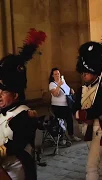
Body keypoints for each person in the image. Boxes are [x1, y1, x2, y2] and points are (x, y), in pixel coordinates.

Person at [73, 24, 102, 180]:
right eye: (83, 72)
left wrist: (87, 113)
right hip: (86, 129)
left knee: (91, 166)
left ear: (95, 72)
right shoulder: (81, 89)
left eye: (87, 73)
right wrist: (77, 112)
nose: (84, 76)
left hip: (99, 130)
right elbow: (75, 105)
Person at [0, 28, 46, 180]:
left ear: (16, 94)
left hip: (18, 169)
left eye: (4, 92)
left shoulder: (24, 114)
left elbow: (18, 144)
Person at [49, 67, 80, 142]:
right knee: (61, 121)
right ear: (52, 76)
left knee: (70, 120)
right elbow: (56, 94)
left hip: (66, 105)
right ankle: (62, 137)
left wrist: (71, 90)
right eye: (55, 74)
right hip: (58, 107)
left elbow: (67, 89)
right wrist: (59, 85)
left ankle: (71, 135)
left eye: (58, 73)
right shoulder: (52, 84)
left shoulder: (62, 81)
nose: (57, 75)